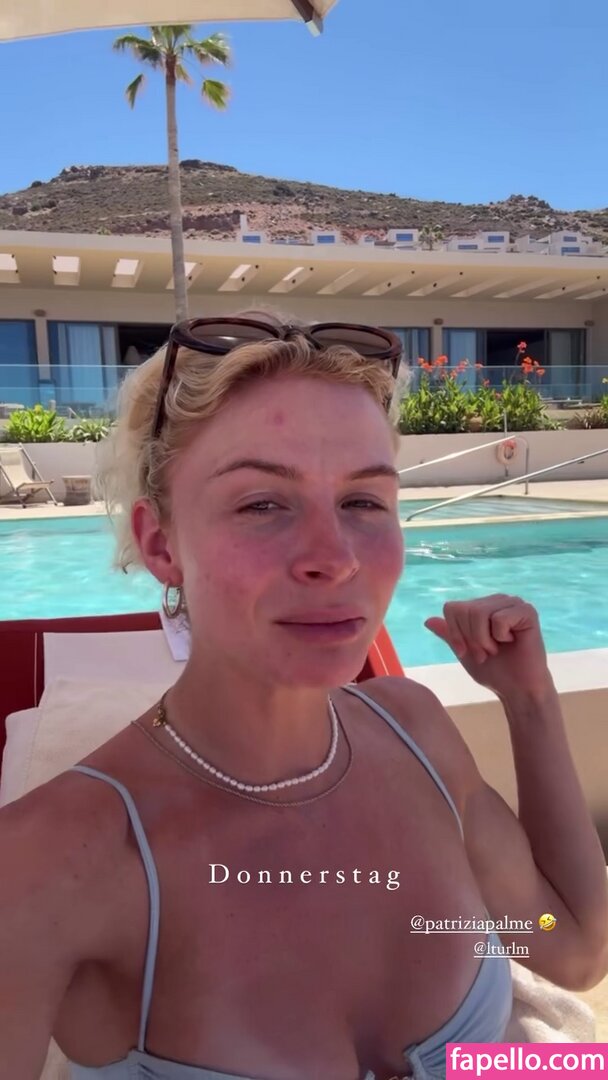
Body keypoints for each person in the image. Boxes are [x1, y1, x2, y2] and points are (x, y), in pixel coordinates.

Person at [1, 311, 607, 1080]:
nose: (335, 558)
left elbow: (569, 944)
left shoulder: (417, 734)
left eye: (363, 502)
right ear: (160, 543)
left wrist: (530, 701)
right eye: (262, 503)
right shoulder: (48, 867)